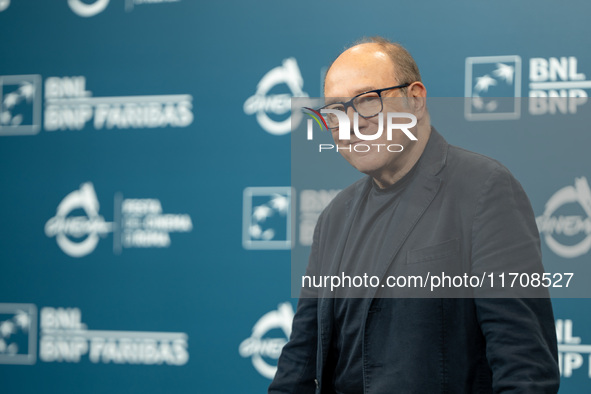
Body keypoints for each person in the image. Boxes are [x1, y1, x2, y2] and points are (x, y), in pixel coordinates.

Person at [269, 37, 560, 393]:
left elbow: (524, 370)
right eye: (335, 111)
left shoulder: (484, 189)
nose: (351, 123)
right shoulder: (334, 217)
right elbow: (299, 360)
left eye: (367, 102)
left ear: (416, 99)